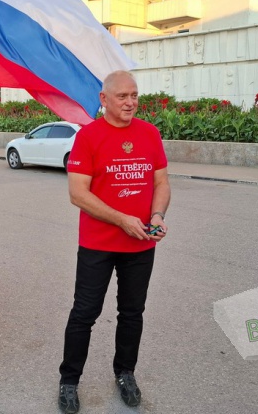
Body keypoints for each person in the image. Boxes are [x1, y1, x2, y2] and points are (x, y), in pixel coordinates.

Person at [57, 70, 171, 414]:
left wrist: (157, 216)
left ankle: (125, 373)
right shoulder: (88, 137)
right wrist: (122, 219)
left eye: (134, 95)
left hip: (141, 244)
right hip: (98, 245)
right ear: (104, 99)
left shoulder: (149, 133)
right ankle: (69, 380)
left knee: (132, 313)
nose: (130, 102)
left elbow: (161, 182)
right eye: (122, 96)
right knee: (84, 314)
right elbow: (78, 194)